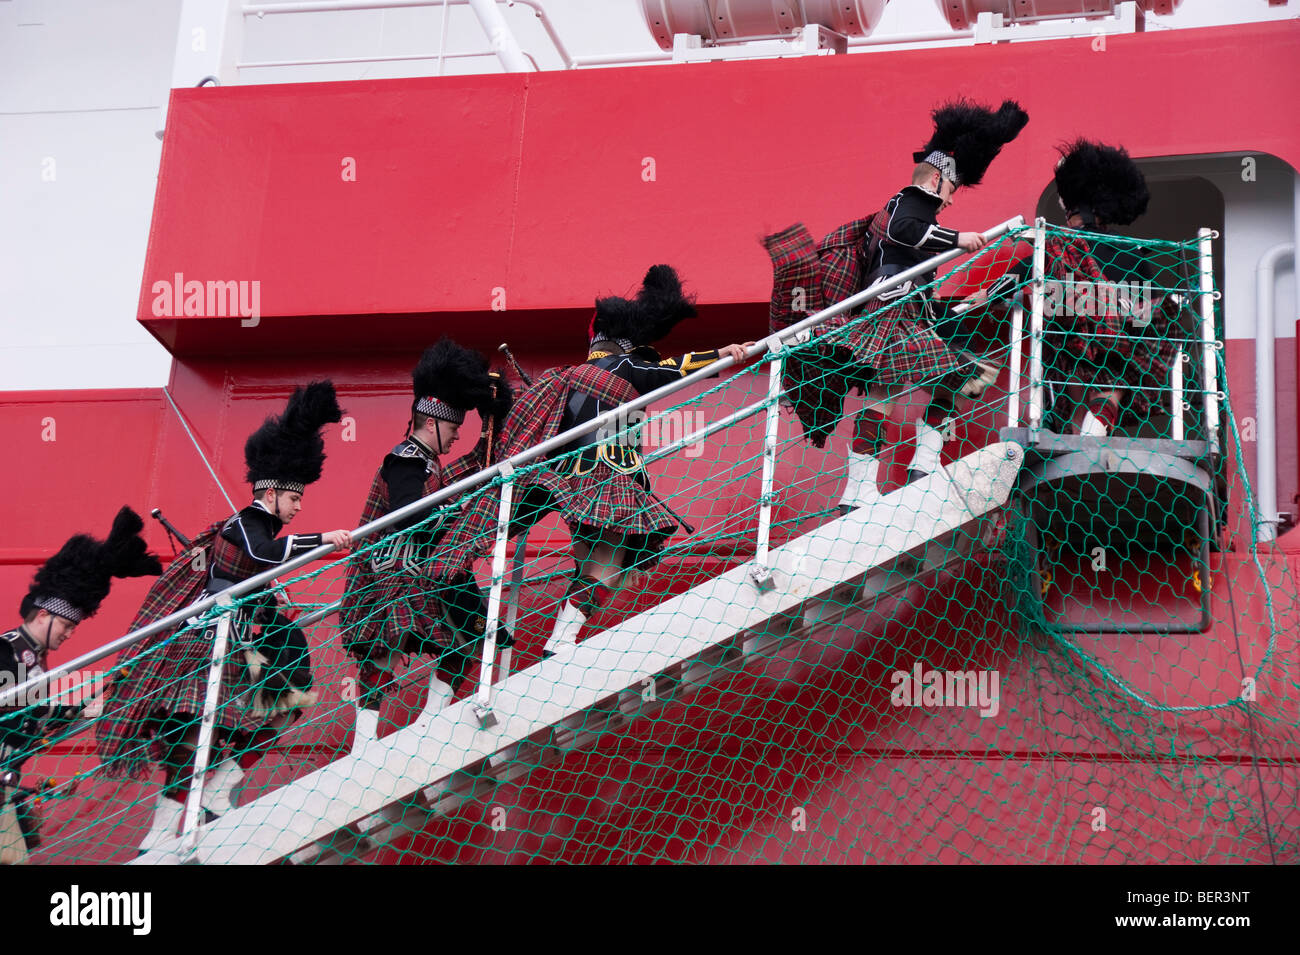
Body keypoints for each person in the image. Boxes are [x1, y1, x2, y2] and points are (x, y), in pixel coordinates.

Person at [424, 265, 753, 659]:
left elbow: (533, 431)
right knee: (608, 572)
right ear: (626, 341)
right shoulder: (627, 368)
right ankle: (560, 642)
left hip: (562, 485)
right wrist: (722, 353)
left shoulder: (562, 376)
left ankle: (556, 640)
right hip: (610, 481)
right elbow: (674, 370)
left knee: (593, 568)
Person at [95, 381, 353, 854]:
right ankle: (158, 838)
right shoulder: (245, 524)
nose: (298, 508)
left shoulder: (256, 523)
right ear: (272, 492)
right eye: (294, 499)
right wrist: (322, 540)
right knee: (194, 744)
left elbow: (262, 567)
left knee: (287, 698)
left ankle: (214, 794)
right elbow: (264, 552)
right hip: (201, 645)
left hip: (233, 644)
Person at [765, 99, 1028, 512]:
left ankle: (858, 494)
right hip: (893, 313)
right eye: (953, 189)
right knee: (963, 376)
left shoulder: (912, 215)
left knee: (882, 397)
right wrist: (958, 239)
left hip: (895, 312)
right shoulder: (912, 200)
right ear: (938, 180)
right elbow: (904, 231)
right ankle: (922, 471)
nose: (952, 201)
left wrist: (964, 305)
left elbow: (921, 296)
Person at [340, 338, 512, 753]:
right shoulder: (406, 458)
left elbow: (469, 469)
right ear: (432, 423)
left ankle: (428, 723)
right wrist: (453, 521)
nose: (455, 439)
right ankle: (364, 745)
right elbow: (408, 512)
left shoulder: (426, 462)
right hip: (397, 572)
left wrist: (493, 425)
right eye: (453, 429)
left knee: (475, 637)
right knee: (385, 650)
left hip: (424, 572)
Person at [965, 139, 1175, 436]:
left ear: (1074, 209)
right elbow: (1151, 309)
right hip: (1120, 339)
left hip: (1069, 341)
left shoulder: (1059, 244)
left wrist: (988, 294)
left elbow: (1023, 273)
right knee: (1113, 382)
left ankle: (1066, 426)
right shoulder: (1131, 251)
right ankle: (1096, 429)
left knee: (1066, 371)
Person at [1, 508, 160, 864]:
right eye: (66, 624)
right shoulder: (6, 651)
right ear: (43, 614)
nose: (70, 633)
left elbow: (37, 721)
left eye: (75, 626)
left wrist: (102, 699)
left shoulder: (35, 664)